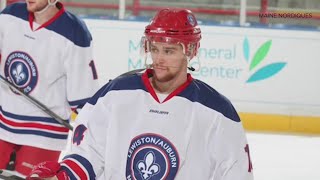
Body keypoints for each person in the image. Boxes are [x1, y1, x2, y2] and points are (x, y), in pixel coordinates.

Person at [27, 8, 253, 180]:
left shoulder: (218, 112)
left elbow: (235, 173)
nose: (159, 59)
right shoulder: (115, 95)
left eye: (169, 51)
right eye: (154, 49)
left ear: (191, 51)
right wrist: (62, 176)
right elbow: (90, 153)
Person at [0, 0, 99, 176]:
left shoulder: (74, 32)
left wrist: (93, 132)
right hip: (3, 124)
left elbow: (84, 97)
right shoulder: (10, 15)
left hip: (44, 134)